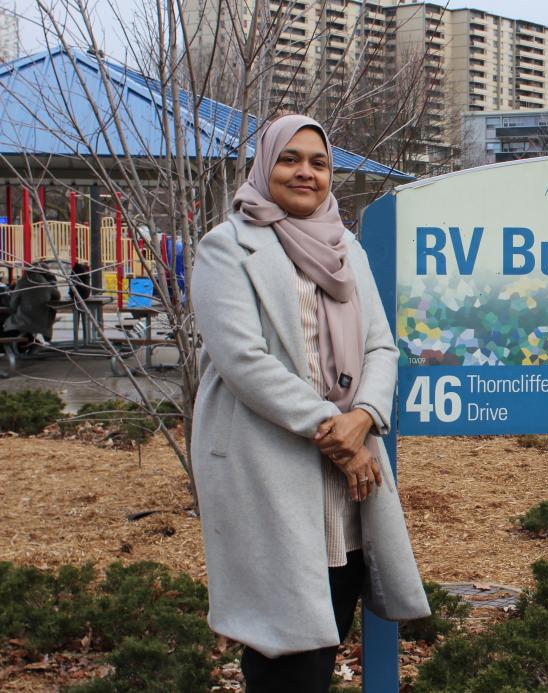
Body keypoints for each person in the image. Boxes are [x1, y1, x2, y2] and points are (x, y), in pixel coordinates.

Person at [190, 114, 429, 692]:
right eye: (289, 159)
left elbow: (380, 345)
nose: (305, 172)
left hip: (346, 486)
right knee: (283, 652)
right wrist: (336, 430)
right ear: (264, 166)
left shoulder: (346, 248)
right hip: (270, 467)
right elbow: (244, 362)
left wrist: (366, 416)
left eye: (318, 163)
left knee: (326, 636)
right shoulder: (226, 248)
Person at [1, 263, 59, 343]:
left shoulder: (21, 283)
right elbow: (57, 296)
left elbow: (13, 305)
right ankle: (43, 338)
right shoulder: (46, 284)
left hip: (24, 322)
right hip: (43, 323)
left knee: (7, 322)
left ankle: (14, 345)